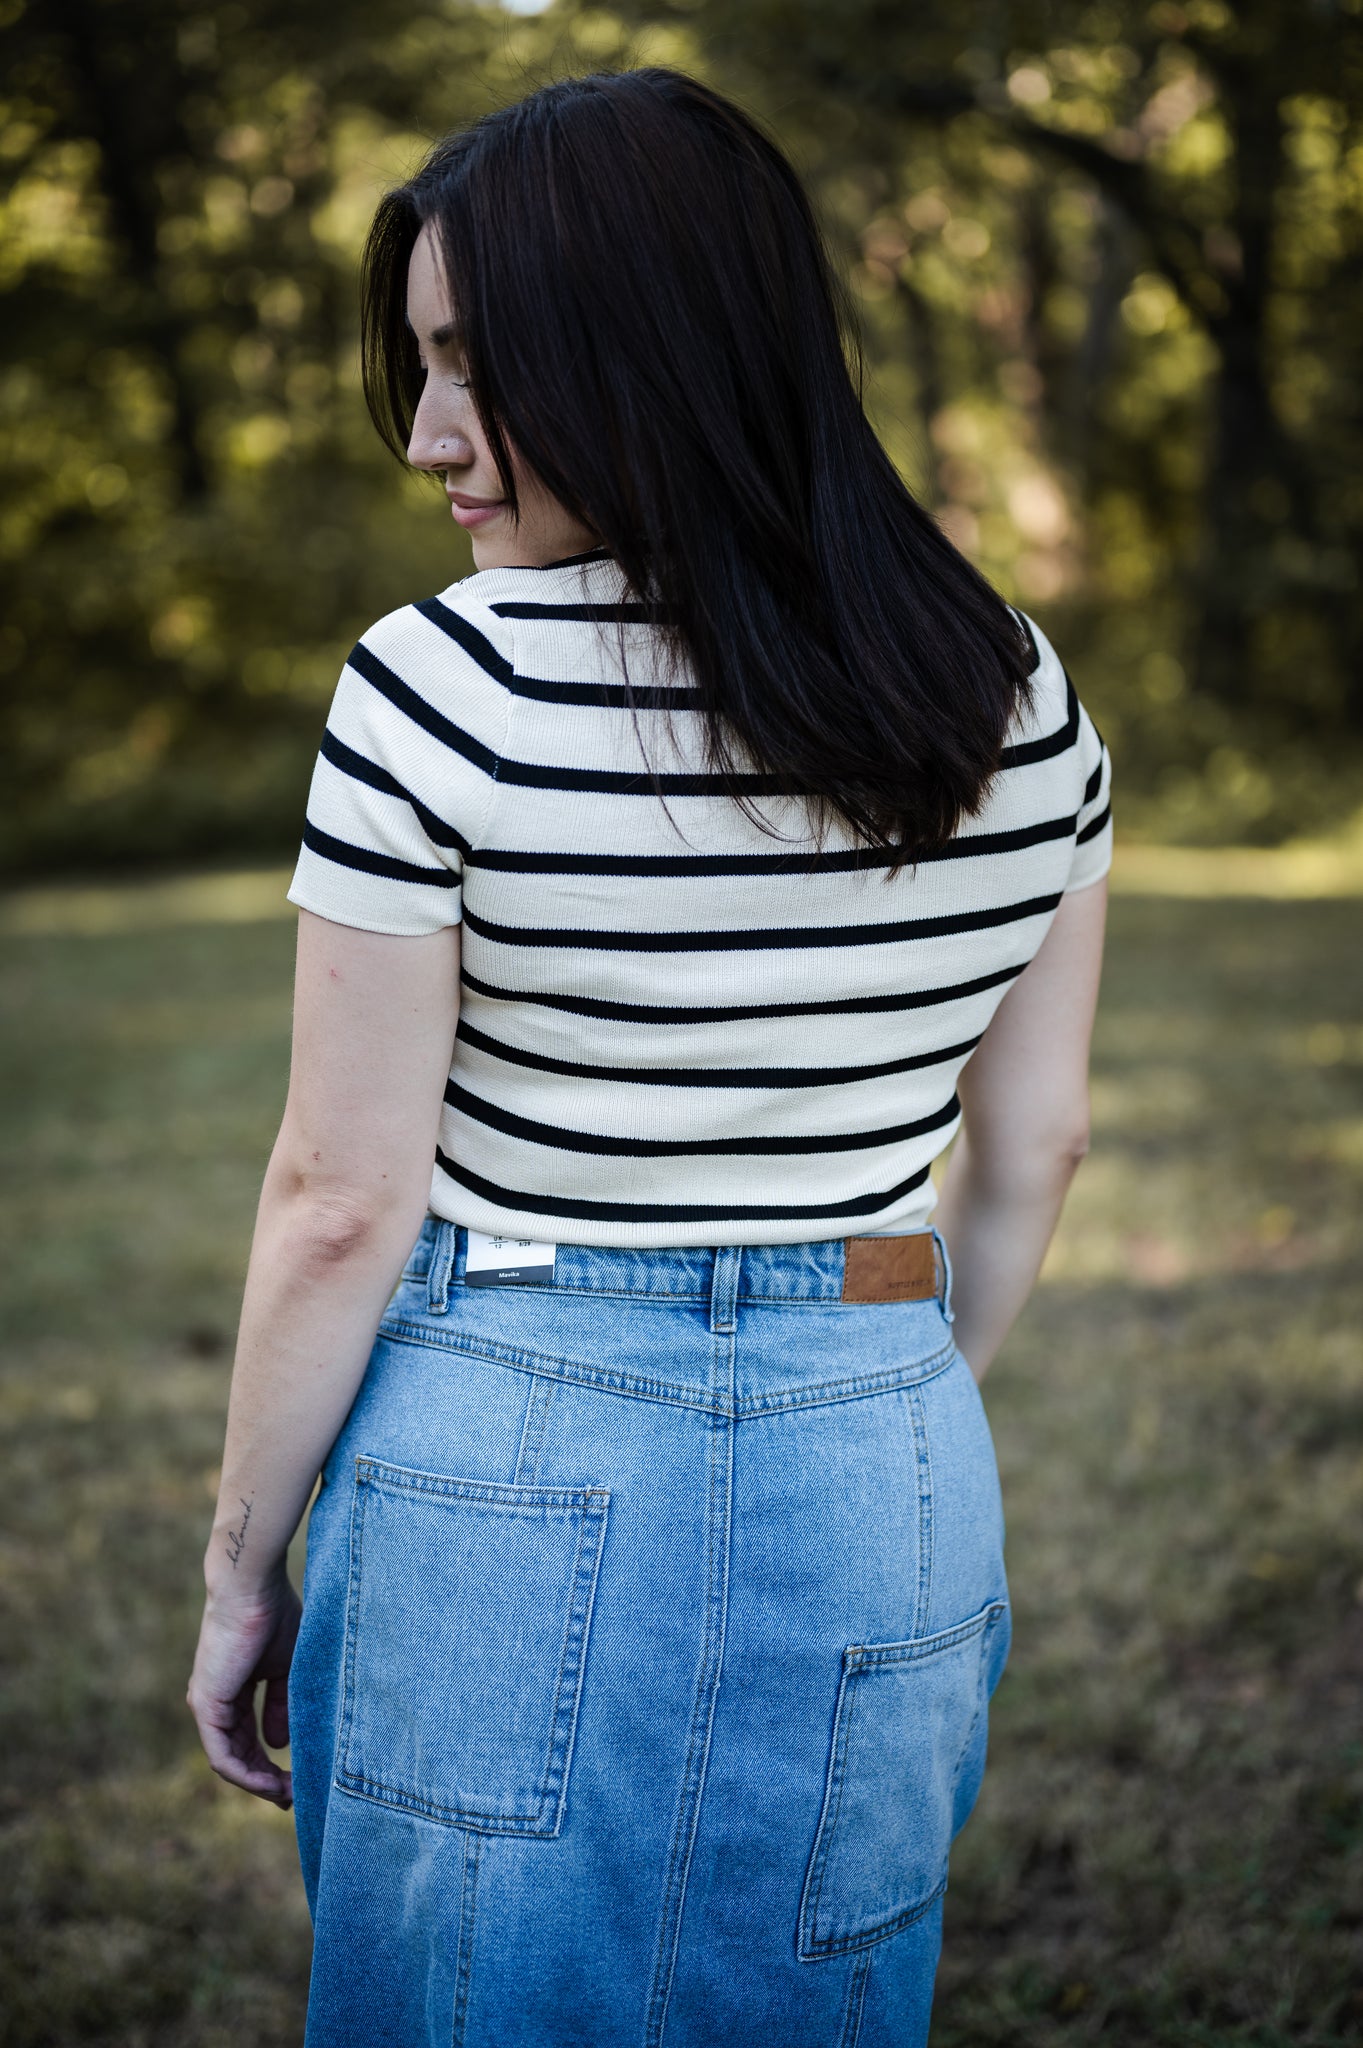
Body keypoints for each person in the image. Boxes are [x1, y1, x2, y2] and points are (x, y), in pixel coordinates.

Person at [188, 67, 1110, 2048]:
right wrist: (865, 1377)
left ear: (644, 355)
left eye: (471, 369)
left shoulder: (441, 683)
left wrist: (237, 1573)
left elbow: (340, 1205)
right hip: (890, 1452)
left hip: (494, 1458)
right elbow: (1034, 1149)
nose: (428, 436)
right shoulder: (1017, 697)